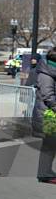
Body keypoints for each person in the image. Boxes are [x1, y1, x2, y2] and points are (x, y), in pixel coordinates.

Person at [32, 47, 56, 184]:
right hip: (48, 115)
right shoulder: (46, 74)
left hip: (48, 114)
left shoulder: (50, 71)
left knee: (50, 145)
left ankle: (45, 171)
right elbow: (48, 96)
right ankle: (44, 173)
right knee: (49, 145)